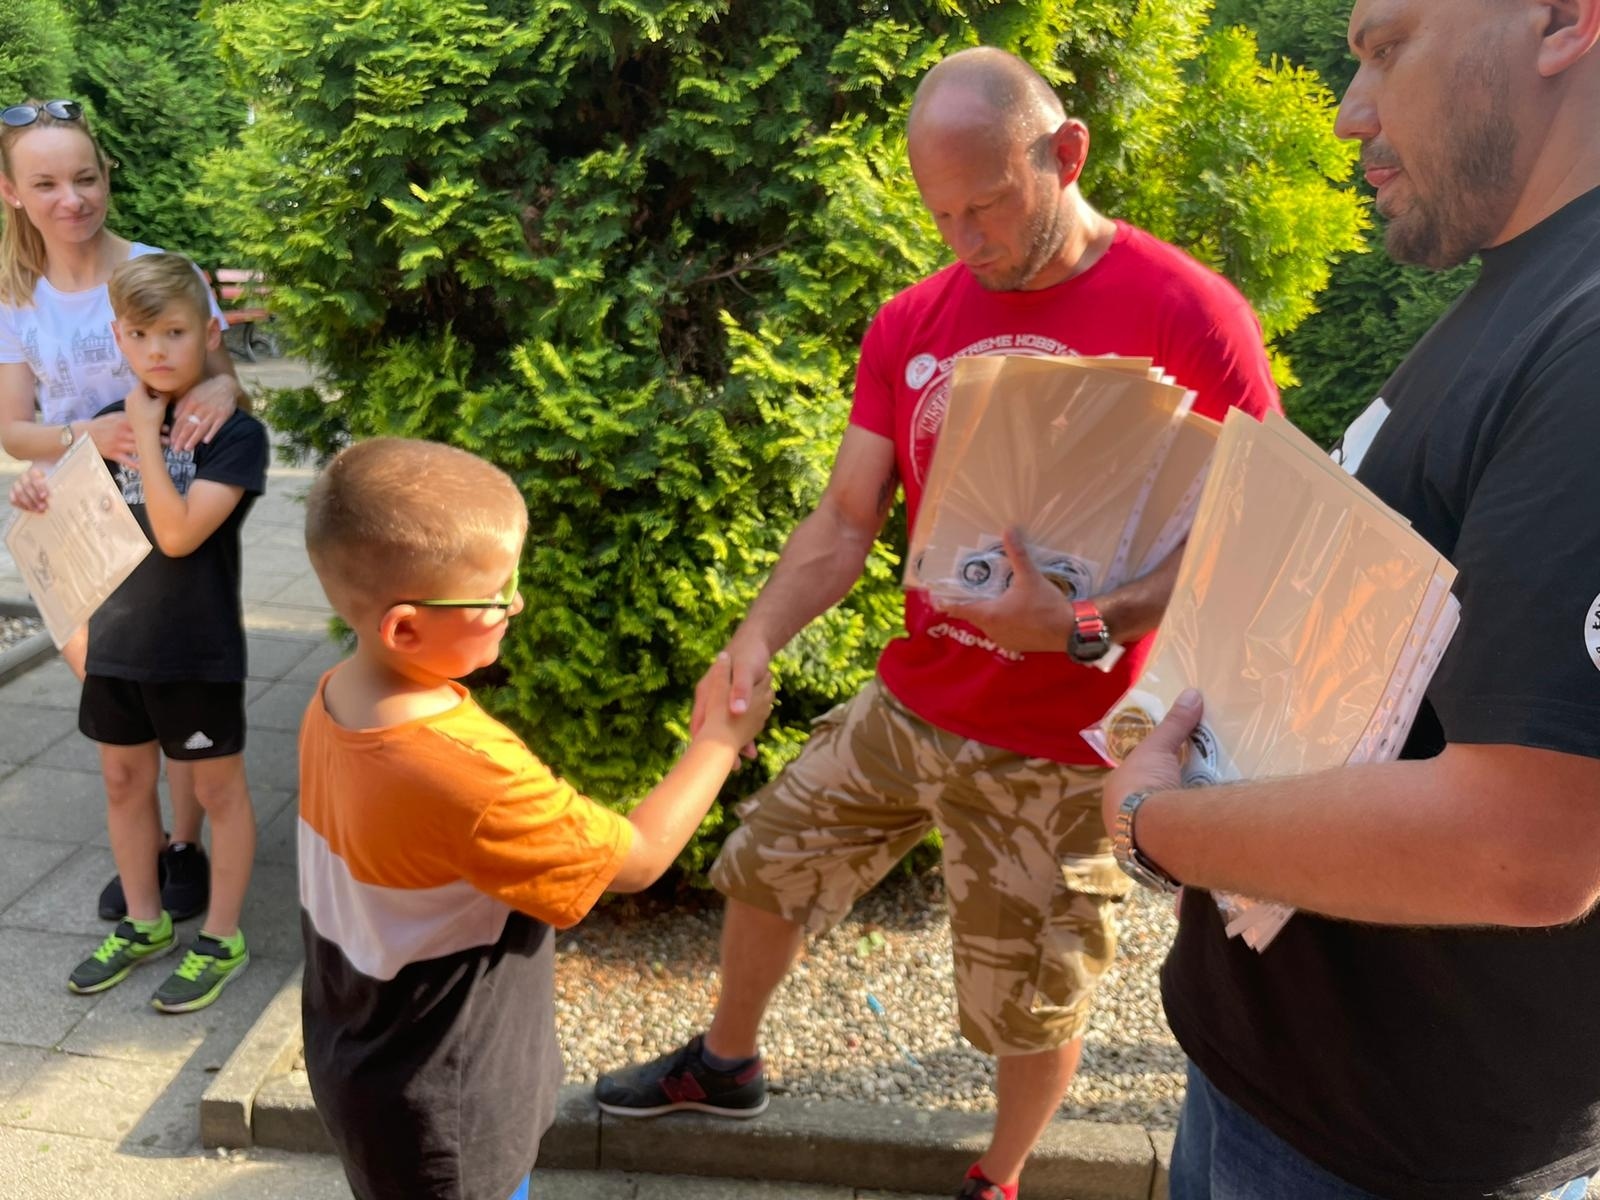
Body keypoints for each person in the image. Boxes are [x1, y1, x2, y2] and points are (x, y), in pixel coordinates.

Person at [595, 46, 1280, 1200]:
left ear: (1066, 155)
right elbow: (843, 519)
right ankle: (727, 1062)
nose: (965, 240)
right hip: (913, 698)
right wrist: (756, 635)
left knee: (1028, 997)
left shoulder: (1188, 313)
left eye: (989, 205)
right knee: (764, 864)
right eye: (941, 213)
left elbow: (1254, 528)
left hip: (1069, 745)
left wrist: (1083, 625)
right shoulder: (913, 317)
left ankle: (997, 1179)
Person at [1100, 2, 1600, 1197]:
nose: (1349, 112)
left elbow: (1528, 843)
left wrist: (1147, 826)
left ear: (1557, 21)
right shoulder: (1520, 297)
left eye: (1387, 46)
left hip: (1389, 1154)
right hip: (1280, 1088)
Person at [296, 437, 775, 1200]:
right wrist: (718, 741)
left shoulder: (337, 693)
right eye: (493, 594)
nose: (514, 602)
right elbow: (641, 857)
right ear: (405, 629)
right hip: (447, 1107)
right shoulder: (462, 770)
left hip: (364, 1059)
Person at [0, 98, 246, 924]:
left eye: (84, 177)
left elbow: (222, 379)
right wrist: (86, 430)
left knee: (170, 693)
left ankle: (182, 850)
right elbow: (12, 430)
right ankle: (145, 851)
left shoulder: (156, 267)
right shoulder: (14, 296)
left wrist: (215, 382)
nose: (71, 199)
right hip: (71, 525)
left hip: (162, 516)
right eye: (46, 183)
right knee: (121, 718)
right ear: (12, 193)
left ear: (106, 176)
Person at [10, 252, 267, 1011]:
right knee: (123, 783)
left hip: (196, 649)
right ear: (120, 338)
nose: (158, 350)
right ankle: (145, 922)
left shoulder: (233, 435)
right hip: (119, 643)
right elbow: (77, 512)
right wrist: (37, 492)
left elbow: (181, 534)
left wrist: (147, 436)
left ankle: (221, 935)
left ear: (204, 334)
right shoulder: (115, 427)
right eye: (142, 334)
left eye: (177, 333)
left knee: (218, 790)